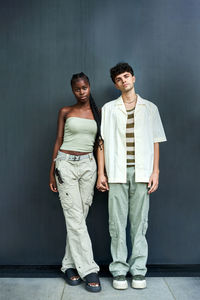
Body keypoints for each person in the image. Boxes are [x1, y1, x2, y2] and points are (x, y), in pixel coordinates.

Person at [96, 62, 167, 290]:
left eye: (127, 76)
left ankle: (138, 271)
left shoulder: (150, 108)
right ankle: (118, 271)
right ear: (116, 84)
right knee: (116, 224)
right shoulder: (108, 109)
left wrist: (155, 171)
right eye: (119, 79)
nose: (124, 81)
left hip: (142, 171)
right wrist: (101, 173)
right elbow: (101, 143)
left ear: (134, 78)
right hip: (116, 172)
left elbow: (156, 140)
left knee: (139, 224)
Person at [49, 72, 101, 293]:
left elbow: (100, 145)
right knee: (75, 218)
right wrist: (52, 171)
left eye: (85, 87)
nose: (82, 92)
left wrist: (102, 174)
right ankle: (89, 269)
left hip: (89, 166)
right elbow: (58, 140)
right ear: (72, 90)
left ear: (90, 87)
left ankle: (69, 265)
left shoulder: (98, 113)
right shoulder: (65, 111)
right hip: (66, 165)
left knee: (79, 218)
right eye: (77, 89)